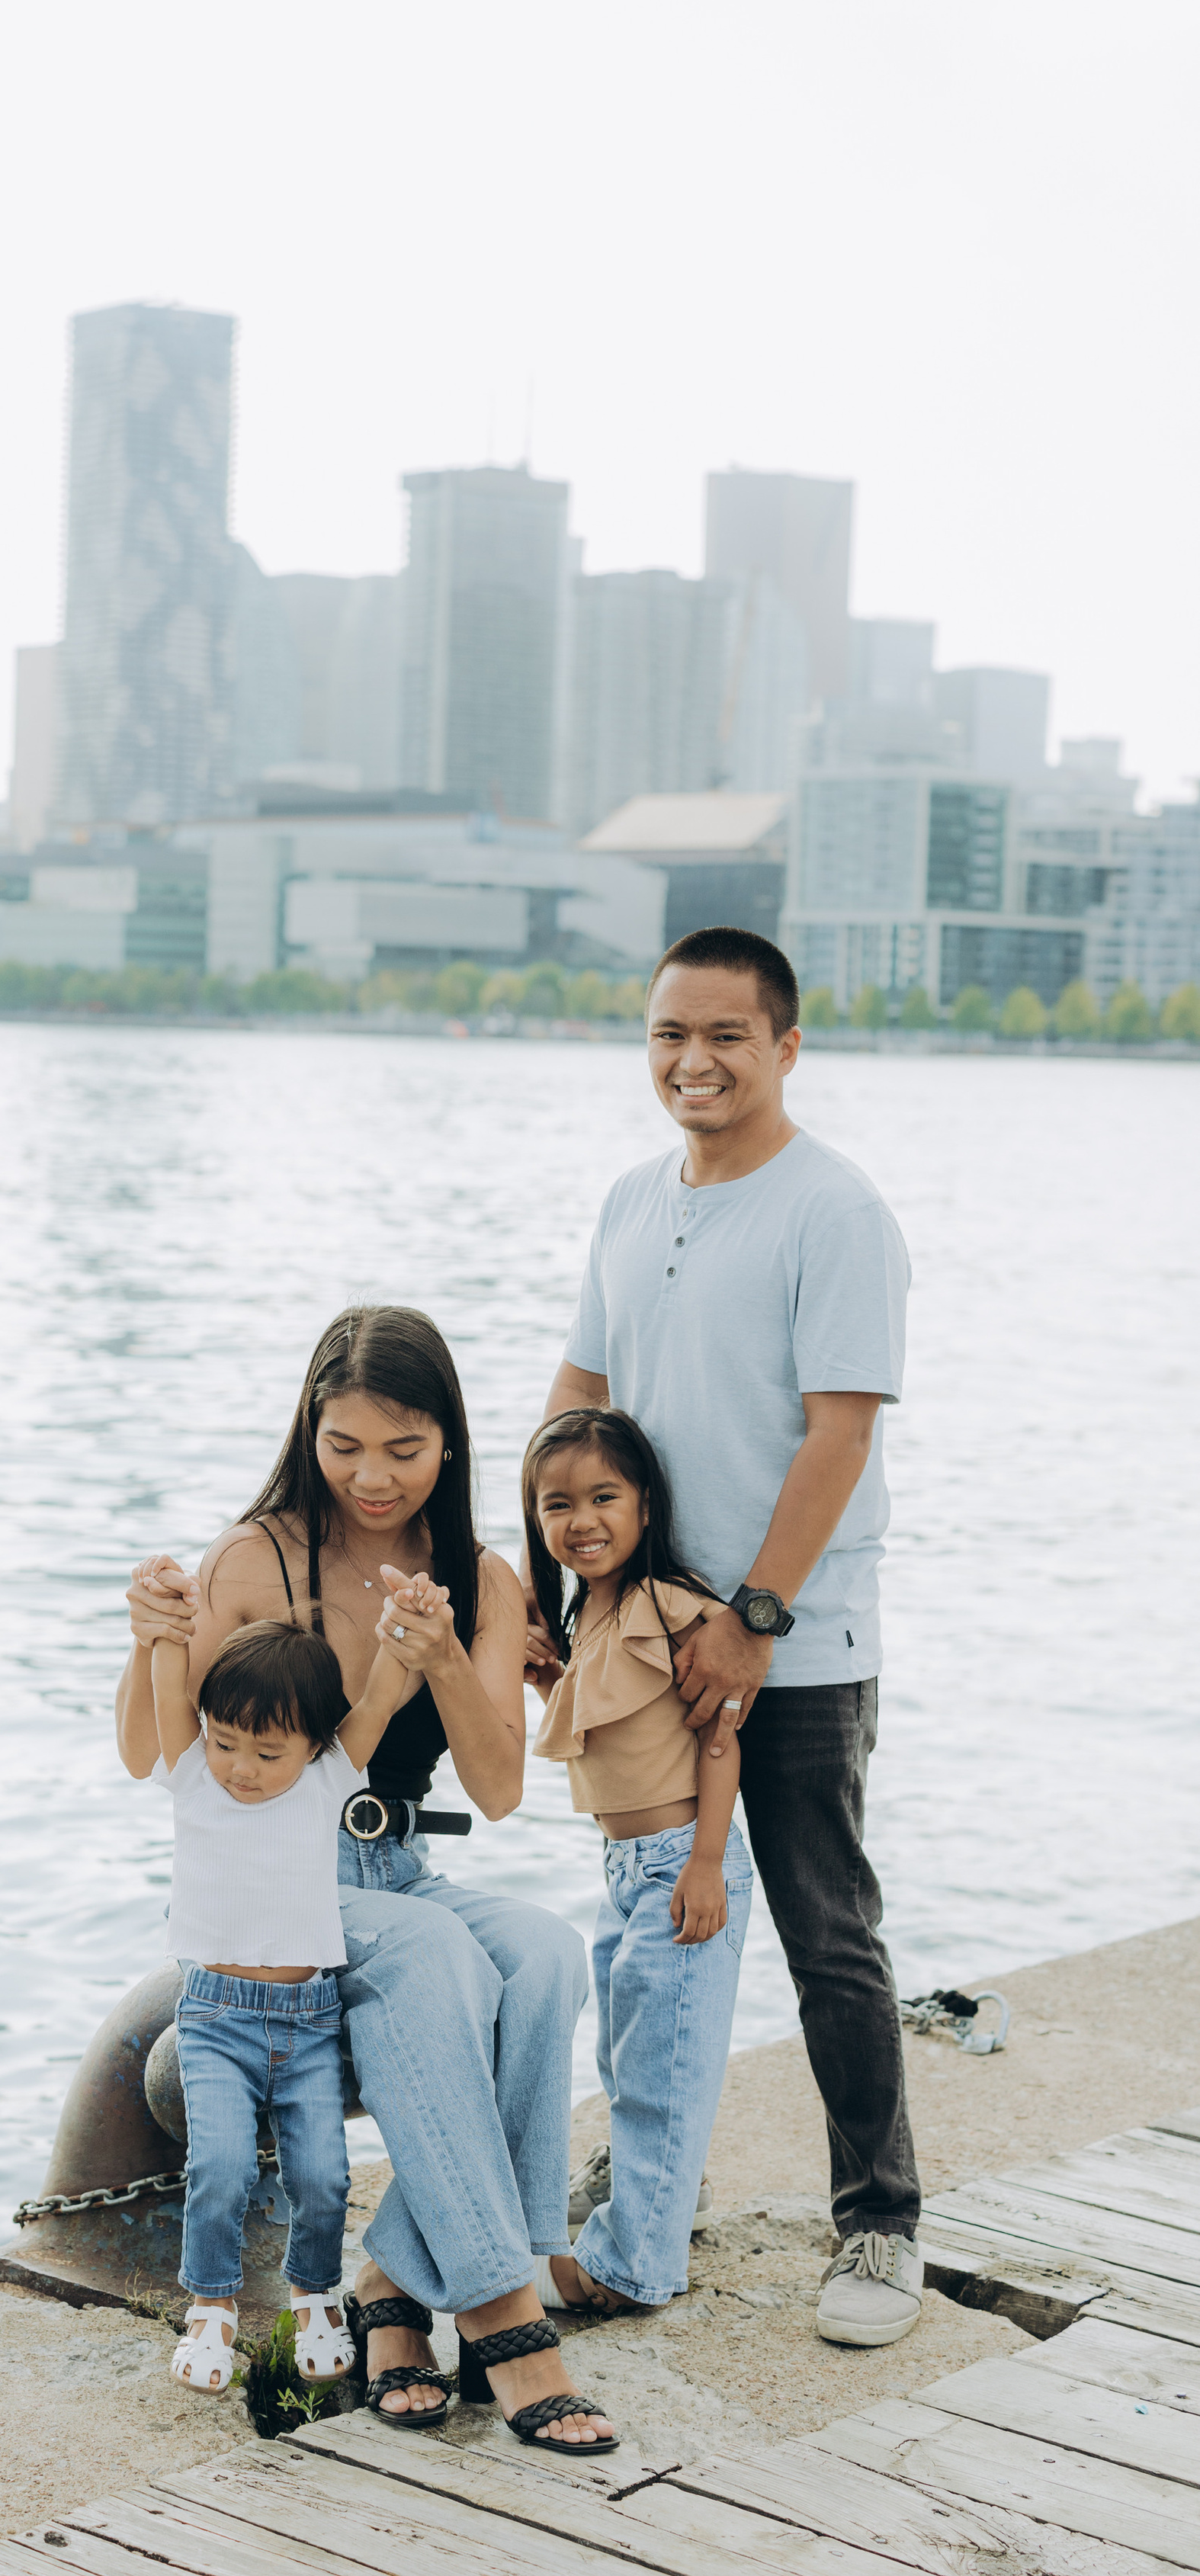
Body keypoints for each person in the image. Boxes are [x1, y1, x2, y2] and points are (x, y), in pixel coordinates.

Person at [118, 1304, 617, 2452]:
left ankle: (395, 2288)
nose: (373, 1477)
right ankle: (505, 2310)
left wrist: (441, 1653)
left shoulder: (478, 1579)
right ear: (310, 1430)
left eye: (404, 1449)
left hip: (399, 1870)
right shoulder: (257, 1557)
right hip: (275, 1889)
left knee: (544, 1952)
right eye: (345, 1448)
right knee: (436, 1952)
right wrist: (143, 1634)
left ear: (449, 1440)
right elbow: (154, 1756)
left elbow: (498, 1788)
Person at [541, 925, 920, 2347]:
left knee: (828, 1933)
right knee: (651, 1928)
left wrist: (756, 1621)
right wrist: (552, 1594)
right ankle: (648, 2184)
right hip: (646, 1641)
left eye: (725, 1038)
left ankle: (879, 2226)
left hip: (795, 1643)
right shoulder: (635, 1202)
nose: (692, 1063)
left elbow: (838, 1437)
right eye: (666, 1038)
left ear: (786, 1047)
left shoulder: (835, 1211)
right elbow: (581, 1396)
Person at [525, 1406, 752, 2315]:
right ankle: (654, 2215)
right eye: (556, 1505)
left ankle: (631, 2271)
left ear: (646, 1506)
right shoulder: (597, 1614)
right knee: (630, 2059)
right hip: (625, 1873)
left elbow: (718, 1736)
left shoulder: (669, 1605)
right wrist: (552, 1677)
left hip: (679, 1864)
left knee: (663, 2071)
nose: (581, 1520)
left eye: (603, 1497)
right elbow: (608, 1720)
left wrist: (704, 1862)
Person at [146, 1614, 402, 2390]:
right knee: (219, 2165)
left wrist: (403, 1628)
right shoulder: (192, 1773)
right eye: (225, 1742)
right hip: (217, 2018)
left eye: (266, 1753)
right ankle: (212, 2304)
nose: (240, 1769)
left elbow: (384, 1693)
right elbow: (167, 1683)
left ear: (316, 1745)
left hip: (309, 2022)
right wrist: (162, 1620)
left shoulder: (329, 1776)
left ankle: (313, 2293)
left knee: (323, 2175)